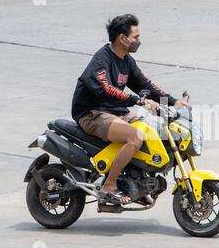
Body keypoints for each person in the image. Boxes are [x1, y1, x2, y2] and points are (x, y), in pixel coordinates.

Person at [71, 14, 190, 204]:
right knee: (135, 137)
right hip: (92, 113)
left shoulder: (126, 60)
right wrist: (136, 100)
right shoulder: (102, 59)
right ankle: (109, 185)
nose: (138, 41)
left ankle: (137, 182)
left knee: (153, 131)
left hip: (115, 112)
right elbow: (106, 89)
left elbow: (144, 84)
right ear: (122, 38)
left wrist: (173, 101)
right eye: (135, 37)